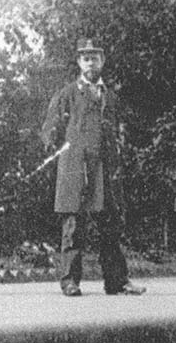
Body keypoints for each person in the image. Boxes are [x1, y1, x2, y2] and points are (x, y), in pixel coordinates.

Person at [40, 38, 146, 297]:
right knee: (73, 226)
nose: (90, 63)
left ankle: (116, 281)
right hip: (76, 167)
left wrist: (120, 148)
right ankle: (70, 281)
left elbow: (120, 129)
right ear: (79, 62)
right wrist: (55, 148)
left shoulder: (109, 96)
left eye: (95, 58)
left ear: (102, 61)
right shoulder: (67, 94)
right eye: (86, 58)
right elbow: (49, 129)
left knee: (110, 226)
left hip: (105, 169)